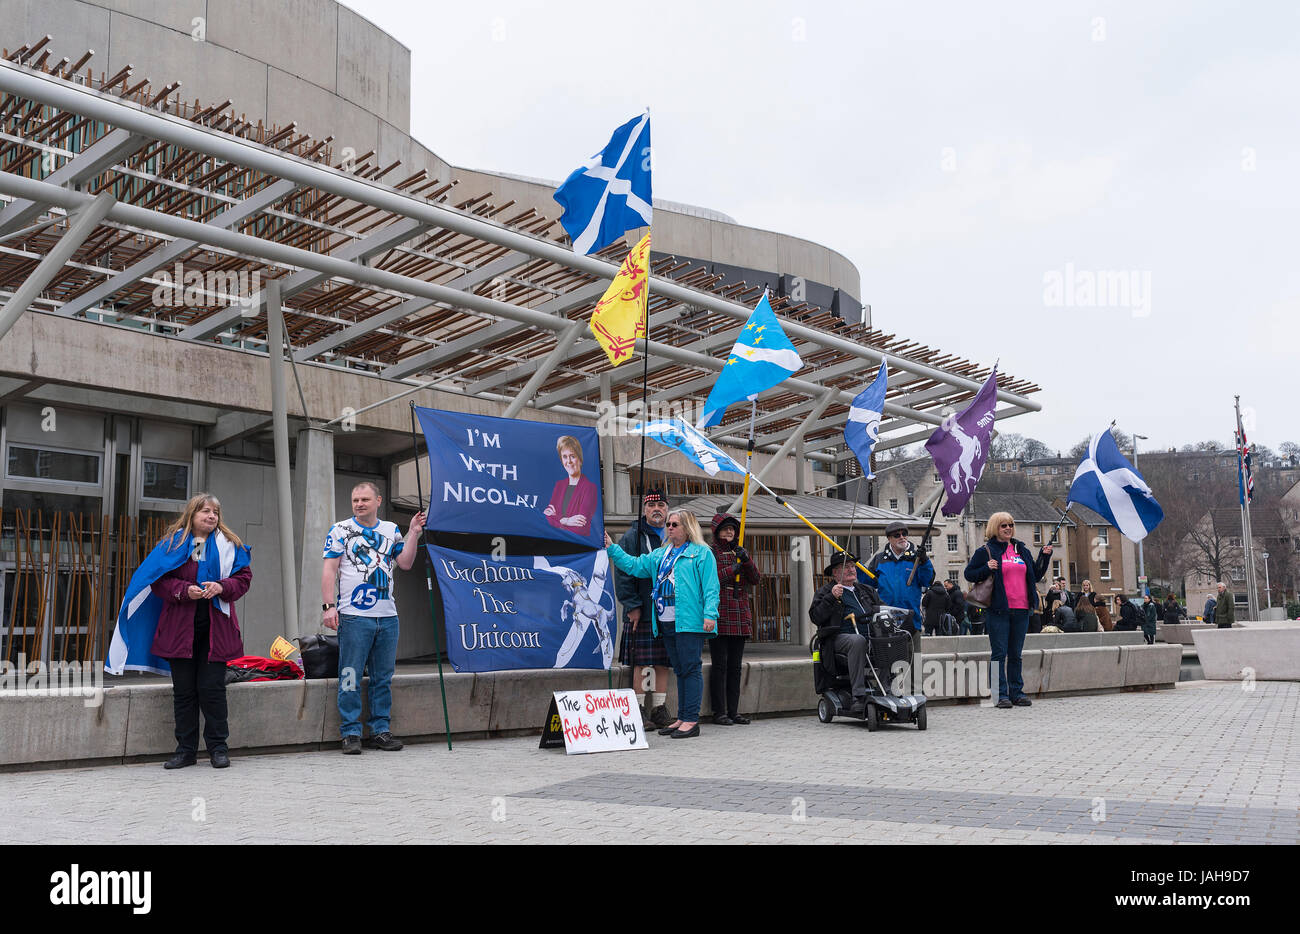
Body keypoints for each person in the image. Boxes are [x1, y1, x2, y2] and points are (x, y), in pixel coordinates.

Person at [121, 494, 253, 770]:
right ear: (192, 514)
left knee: (212, 689)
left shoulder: (230, 546)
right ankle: (185, 751)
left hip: (216, 632)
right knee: (184, 691)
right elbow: (157, 581)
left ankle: (218, 748)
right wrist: (184, 591)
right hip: (180, 630)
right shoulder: (173, 545)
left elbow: (243, 579)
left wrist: (222, 587)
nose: (211, 516)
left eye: (215, 512)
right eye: (205, 511)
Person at [322, 482, 426, 755]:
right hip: (354, 616)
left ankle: (380, 730)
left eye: (365, 499)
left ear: (378, 500)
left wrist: (413, 532)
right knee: (349, 675)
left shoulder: (391, 530)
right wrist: (328, 606)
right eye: (355, 499)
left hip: (387, 616)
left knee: (383, 677)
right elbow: (329, 570)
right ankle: (350, 732)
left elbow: (404, 563)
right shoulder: (340, 530)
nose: (359, 504)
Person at [605, 510, 719, 739]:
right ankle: (682, 717)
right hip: (666, 621)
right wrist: (612, 547)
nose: (670, 527)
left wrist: (710, 614)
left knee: (690, 668)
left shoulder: (701, 553)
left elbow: (711, 587)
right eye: (668, 524)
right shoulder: (662, 553)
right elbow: (634, 566)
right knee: (680, 669)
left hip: (688, 621)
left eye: (675, 524)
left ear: (687, 527)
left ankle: (690, 720)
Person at [964, 512, 1052, 709]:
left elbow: (1035, 575)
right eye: (1003, 525)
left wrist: (1044, 557)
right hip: (998, 610)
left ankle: (1017, 693)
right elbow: (969, 574)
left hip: (1022, 609)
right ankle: (999, 694)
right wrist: (986, 567)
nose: (1008, 528)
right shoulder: (986, 550)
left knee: (1016, 654)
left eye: (1010, 525)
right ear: (995, 528)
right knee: (999, 653)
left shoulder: (1021, 549)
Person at [612, 490, 673, 728]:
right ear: (644, 510)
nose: (656, 509)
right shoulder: (632, 537)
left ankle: (658, 709)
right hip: (643, 610)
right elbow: (623, 572)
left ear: (667, 509)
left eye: (661, 504)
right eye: (651, 506)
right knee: (642, 661)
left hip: (667, 611)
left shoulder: (673, 535)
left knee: (663, 661)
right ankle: (637, 710)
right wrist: (632, 605)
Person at [809, 552, 881, 712]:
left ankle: (890, 688)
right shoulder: (825, 592)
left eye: (852, 566)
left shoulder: (866, 590)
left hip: (871, 638)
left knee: (897, 638)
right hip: (837, 640)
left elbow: (881, 609)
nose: (851, 570)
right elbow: (816, 617)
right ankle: (858, 696)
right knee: (857, 640)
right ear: (835, 573)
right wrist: (831, 598)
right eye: (845, 567)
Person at [708, 512, 761, 725]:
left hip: (739, 612)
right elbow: (710, 579)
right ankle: (718, 711)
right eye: (725, 529)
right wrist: (732, 569)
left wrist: (746, 562)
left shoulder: (741, 552)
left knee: (735, 667)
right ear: (717, 531)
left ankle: (733, 711)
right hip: (720, 612)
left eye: (732, 529)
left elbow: (756, 579)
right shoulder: (710, 552)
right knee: (719, 665)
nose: (730, 532)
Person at [867, 521, 935, 653]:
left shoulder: (916, 558)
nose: (902, 537)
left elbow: (927, 581)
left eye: (904, 534)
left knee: (914, 666)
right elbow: (868, 585)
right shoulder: (879, 560)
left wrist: (925, 561)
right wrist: (855, 567)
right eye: (897, 535)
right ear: (889, 539)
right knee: (888, 665)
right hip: (885, 621)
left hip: (911, 621)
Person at [543, 435, 598, 538]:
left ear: (580, 459)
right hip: (557, 542)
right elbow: (546, 517)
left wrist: (556, 519)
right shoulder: (559, 485)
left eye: (572, 456)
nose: (568, 461)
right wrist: (566, 521)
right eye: (564, 457)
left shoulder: (590, 488)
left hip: (578, 545)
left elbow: (581, 528)